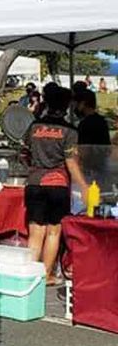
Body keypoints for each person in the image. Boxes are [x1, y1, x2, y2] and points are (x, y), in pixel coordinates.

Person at [21, 82, 88, 285]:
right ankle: (47, 275)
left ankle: (29, 275)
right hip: (57, 184)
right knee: (53, 231)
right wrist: (83, 186)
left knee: (35, 231)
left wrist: (33, 165)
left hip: (33, 182)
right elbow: (70, 162)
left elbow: (24, 153)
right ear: (66, 106)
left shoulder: (33, 127)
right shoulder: (69, 131)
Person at [72, 87, 111, 185]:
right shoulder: (102, 121)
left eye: (77, 104)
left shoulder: (84, 124)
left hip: (88, 169)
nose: (75, 107)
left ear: (83, 103)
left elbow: (83, 150)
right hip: (102, 166)